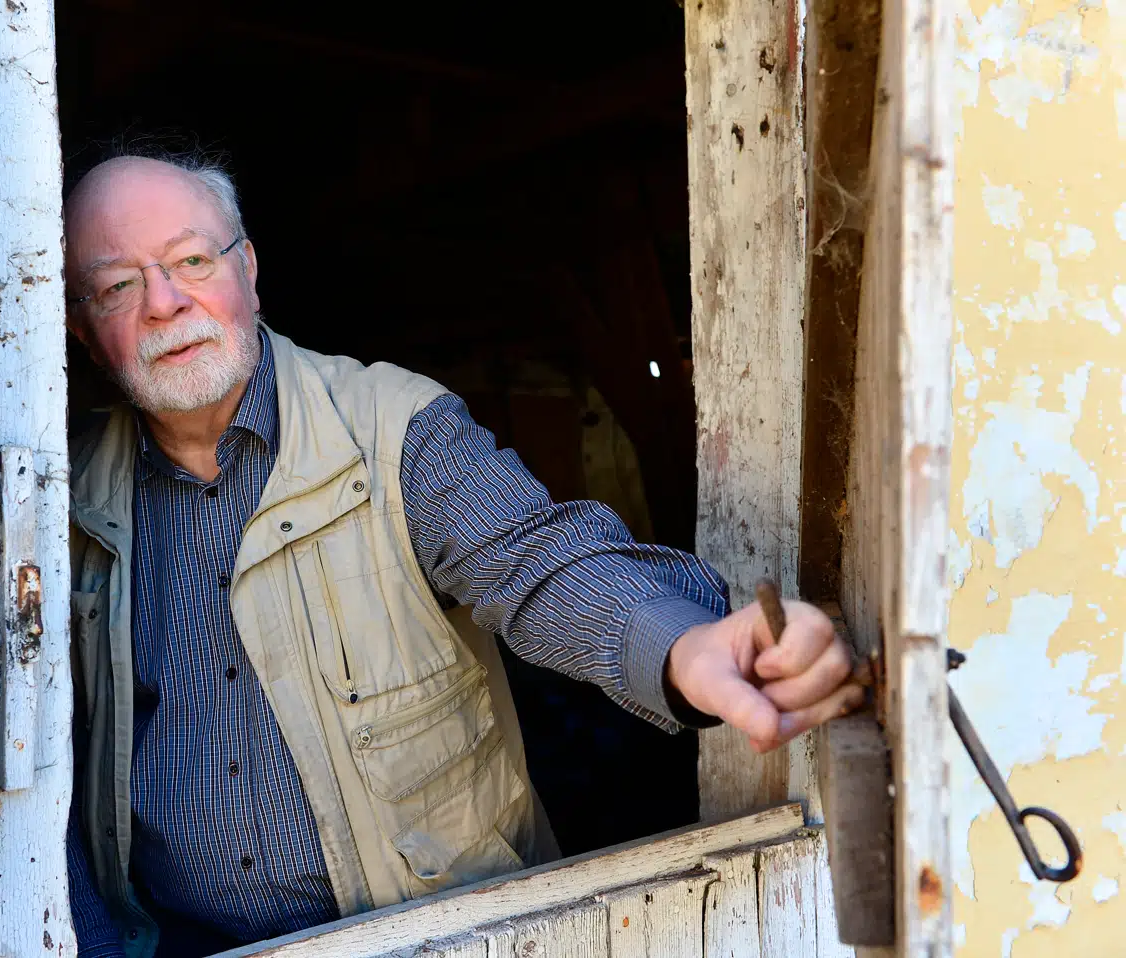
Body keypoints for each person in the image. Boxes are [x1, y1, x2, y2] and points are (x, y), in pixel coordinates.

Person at [62, 151, 861, 958]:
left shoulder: (393, 427)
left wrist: (683, 645)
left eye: (192, 261)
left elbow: (537, 560)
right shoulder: (59, 506)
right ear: (84, 330)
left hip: (437, 940)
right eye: (119, 286)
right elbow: (44, 781)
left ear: (250, 270)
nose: (165, 302)